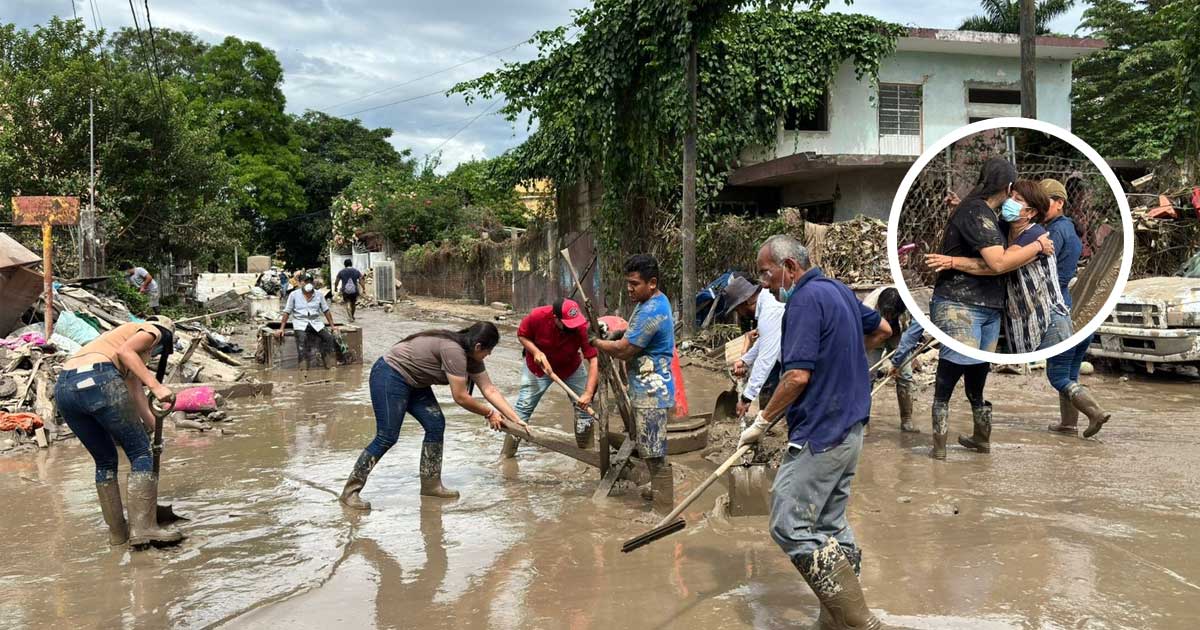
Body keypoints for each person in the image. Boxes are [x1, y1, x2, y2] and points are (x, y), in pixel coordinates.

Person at [738, 235, 891, 628]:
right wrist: (841, 360)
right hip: (851, 427)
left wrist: (761, 421)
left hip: (822, 431)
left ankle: (860, 622)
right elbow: (883, 329)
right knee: (829, 525)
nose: (765, 284)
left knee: (788, 523)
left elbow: (796, 376)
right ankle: (834, 620)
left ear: (790, 267)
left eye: (766, 274)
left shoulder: (804, 300)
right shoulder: (838, 290)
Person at [923, 158, 1053, 459]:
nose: (1013, 200)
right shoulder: (977, 212)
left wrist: (953, 261)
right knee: (949, 375)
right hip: (960, 304)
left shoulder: (987, 215)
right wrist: (1037, 248)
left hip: (989, 308)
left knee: (977, 377)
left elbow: (994, 264)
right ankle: (939, 450)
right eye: (1013, 193)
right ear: (1006, 187)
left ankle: (981, 441)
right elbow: (997, 263)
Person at [338, 322, 525, 508]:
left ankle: (431, 485)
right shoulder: (454, 351)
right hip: (390, 374)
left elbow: (489, 389)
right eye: (489, 351)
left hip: (415, 382)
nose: (488, 355)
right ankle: (350, 492)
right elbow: (460, 397)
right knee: (387, 436)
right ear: (478, 346)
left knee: (435, 424)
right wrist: (490, 413)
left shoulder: (472, 358)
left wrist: (516, 419)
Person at [54, 316, 183, 548]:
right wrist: (156, 386)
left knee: (105, 462)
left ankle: (117, 533)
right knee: (141, 453)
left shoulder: (110, 343)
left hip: (64, 388)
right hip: (99, 379)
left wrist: (157, 430)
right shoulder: (153, 330)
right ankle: (143, 529)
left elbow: (136, 395)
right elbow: (126, 352)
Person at [592, 254, 676, 511]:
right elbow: (632, 334)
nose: (629, 288)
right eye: (627, 283)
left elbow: (625, 350)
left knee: (653, 450)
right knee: (650, 446)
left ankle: (663, 508)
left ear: (652, 283)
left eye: (634, 283)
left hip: (652, 391)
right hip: (649, 386)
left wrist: (595, 342)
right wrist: (616, 334)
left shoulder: (651, 310)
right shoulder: (651, 301)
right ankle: (659, 491)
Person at [1040, 178, 1112, 437]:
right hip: (1074, 310)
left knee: (1058, 376)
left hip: (1058, 310)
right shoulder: (1069, 228)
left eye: (1043, 202)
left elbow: (1042, 271)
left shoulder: (1055, 232)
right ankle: (1068, 424)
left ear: (1059, 203)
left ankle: (1095, 413)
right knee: (1069, 374)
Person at [502, 298, 600, 457]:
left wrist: (588, 393)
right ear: (556, 318)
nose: (573, 327)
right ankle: (507, 455)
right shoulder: (537, 316)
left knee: (584, 410)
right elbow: (522, 335)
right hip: (539, 368)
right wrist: (536, 352)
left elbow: (594, 360)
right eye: (568, 324)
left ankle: (588, 453)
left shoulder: (581, 327)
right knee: (523, 409)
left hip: (570, 367)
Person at [724, 276, 784, 416]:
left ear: (745, 302)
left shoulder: (770, 311)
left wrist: (746, 398)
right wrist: (744, 360)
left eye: (738, 310)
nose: (739, 314)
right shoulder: (766, 305)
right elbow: (764, 341)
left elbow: (765, 360)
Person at [863, 286, 920, 433]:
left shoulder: (909, 303)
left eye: (892, 314)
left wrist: (903, 357)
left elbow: (913, 331)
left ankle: (906, 419)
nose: (888, 317)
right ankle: (863, 421)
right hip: (875, 334)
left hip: (898, 335)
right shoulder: (868, 307)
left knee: (905, 375)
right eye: (886, 314)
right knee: (867, 375)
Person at [276, 275, 338, 369]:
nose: (307, 284)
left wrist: (332, 326)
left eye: (309, 281)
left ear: (312, 283)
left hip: (316, 322)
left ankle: (330, 365)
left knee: (328, 338)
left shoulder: (319, 295)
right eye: (305, 281)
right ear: (300, 283)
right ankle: (303, 368)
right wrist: (281, 328)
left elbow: (326, 310)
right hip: (300, 323)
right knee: (302, 340)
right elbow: (287, 312)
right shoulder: (294, 295)